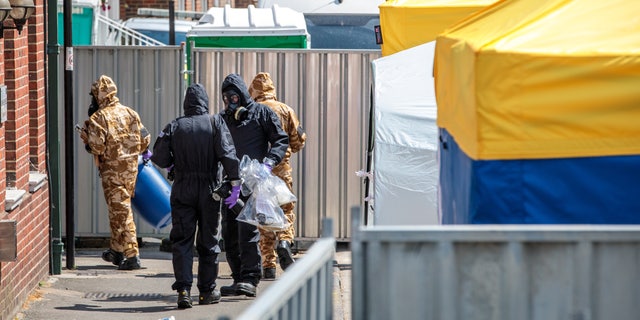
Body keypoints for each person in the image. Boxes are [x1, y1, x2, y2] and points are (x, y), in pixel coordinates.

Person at [150, 83, 242, 309]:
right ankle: (207, 292)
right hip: (210, 190)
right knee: (209, 242)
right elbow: (228, 154)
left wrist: (174, 163)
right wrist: (235, 183)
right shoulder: (215, 122)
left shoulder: (175, 125)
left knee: (182, 240)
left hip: (182, 188)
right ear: (205, 102)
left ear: (186, 103)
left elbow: (159, 157)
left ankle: (183, 290)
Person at [218, 73, 289, 297]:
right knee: (229, 232)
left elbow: (280, 139)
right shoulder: (222, 119)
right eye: (226, 98)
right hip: (231, 183)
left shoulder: (262, 112)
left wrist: (268, 163)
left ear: (242, 94)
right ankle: (238, 277)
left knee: (247, 230)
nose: (230, 101)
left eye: (234, 96)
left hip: (253, 181)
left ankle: (250, 278)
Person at [80, 75, 151, 271]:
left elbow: (96, 148)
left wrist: (86, 139)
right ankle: (117, 250)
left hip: (112, 173)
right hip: (131, 173)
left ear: (99, 96)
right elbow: (145, 141)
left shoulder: (99, 118)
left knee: (123, 213)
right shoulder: (130, 113)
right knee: (117, 211)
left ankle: (132, 254)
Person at [249, 72, 307, 279]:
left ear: (253, 91)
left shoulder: (251, 110)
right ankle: (284, 241)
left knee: (264, 216)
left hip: (260, 173)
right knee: (286, 210)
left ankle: (269, 265)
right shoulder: (286, 110)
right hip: (282, 171)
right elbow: (299, 141)